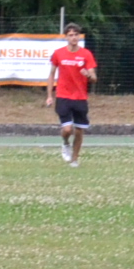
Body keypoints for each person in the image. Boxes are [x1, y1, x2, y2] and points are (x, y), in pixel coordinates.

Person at [47, 23, 98, 166]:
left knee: (79, 130)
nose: (74, 37)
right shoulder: (58, 53)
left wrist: (88, 75)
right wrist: (49, 95)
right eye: (70, 35)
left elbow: (94, 78)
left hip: (80, 97)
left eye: (76, 35)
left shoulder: (86, 54)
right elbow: (51, 74)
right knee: (67, 129)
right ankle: (65, 143)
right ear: (66, 37)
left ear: (79, 36)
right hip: (63, 96)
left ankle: (74, 160)